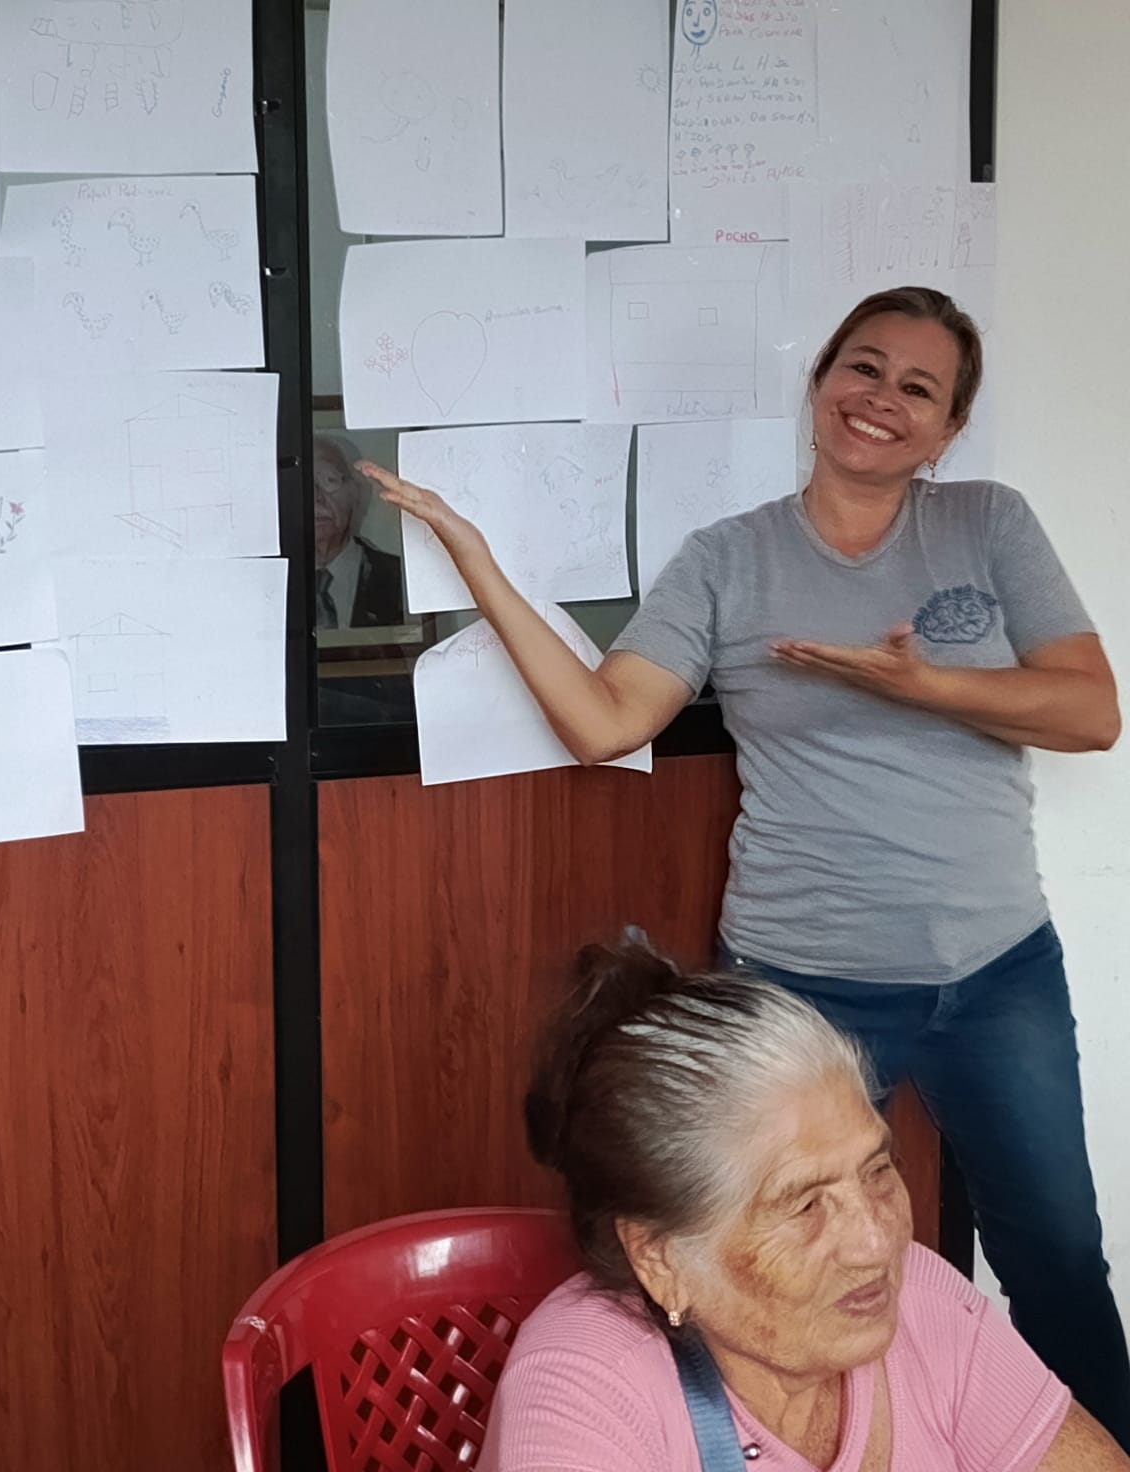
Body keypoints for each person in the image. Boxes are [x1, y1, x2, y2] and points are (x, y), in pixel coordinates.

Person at [359, 286, 1130, 1445]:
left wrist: (922, 684)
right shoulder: (726, 558)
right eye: (860, 366)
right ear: (818, 381)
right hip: (801, 985)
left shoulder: (986, 522)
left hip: (994, 969)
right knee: (761, 1257)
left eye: (916, 386)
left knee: (1057, 1257)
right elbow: (603, 721)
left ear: (946, 427)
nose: (880, 398)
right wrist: (476, 560)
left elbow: (1088, 711)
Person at [481, 938, 1128, 1470]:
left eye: (877, 1170)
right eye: (804, 1206)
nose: (877, 1242)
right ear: (661, 1260)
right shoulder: (583, 1390)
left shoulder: (928, 1306)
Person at [312, 435, 405, 631]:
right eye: (301, 483)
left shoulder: (400, 579)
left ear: (357, 493)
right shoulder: (262, 581)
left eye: (329, 479)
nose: (315, 497)